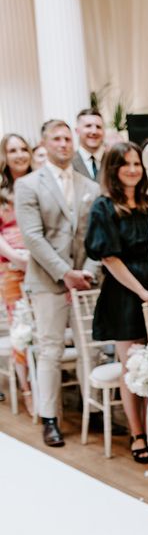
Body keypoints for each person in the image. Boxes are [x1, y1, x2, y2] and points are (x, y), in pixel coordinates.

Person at [15, 120, 101, 447]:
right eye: (57, 138)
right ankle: (50, 417)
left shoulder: (89, 187)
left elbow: (95, 236)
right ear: (45, 143)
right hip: (48, 282)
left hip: (85, 282)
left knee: (88, 349)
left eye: (67, 138)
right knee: (50, 350)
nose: (64, 143)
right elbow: (33, 238)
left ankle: (93, 410)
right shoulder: (29, 185)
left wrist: (87, 272)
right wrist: (66, 273)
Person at [85, 142, 148, 463]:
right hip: (124, 296)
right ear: (113, 170)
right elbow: (109, 258)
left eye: (137, 164)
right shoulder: (104, 206)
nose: (132, 169)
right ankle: (137, 433)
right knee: (133, 368)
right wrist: (142, 292)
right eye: (125, 164)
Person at [0, 133, 34, 413]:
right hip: (11, 266)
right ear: (4, 155)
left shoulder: (37, 182)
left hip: (38, 263)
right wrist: (14, 256)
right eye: (13, 150)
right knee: (20, 325)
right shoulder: (1, 190)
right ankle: (27, 389)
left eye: (24, 148)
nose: (20, 154)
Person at [72, 108, 106, 180]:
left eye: (98, 127)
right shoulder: (68, 162)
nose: (94, 131)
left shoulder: (114, 160)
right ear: (77, 131)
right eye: (88, 126)